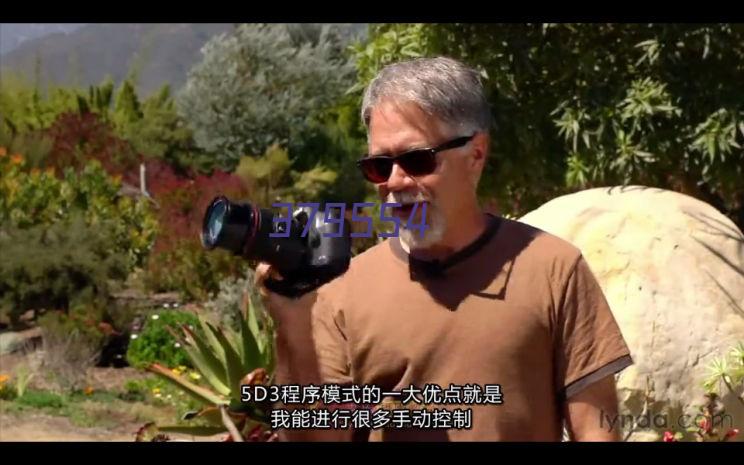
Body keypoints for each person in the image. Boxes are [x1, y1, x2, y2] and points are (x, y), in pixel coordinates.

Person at [256, 56, 633, 442]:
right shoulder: (342, 290)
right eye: (378, 167)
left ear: (475, 155)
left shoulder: (554, 269)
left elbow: (595, 430)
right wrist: (292, 323)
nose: (395, 181)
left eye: (417, 160)